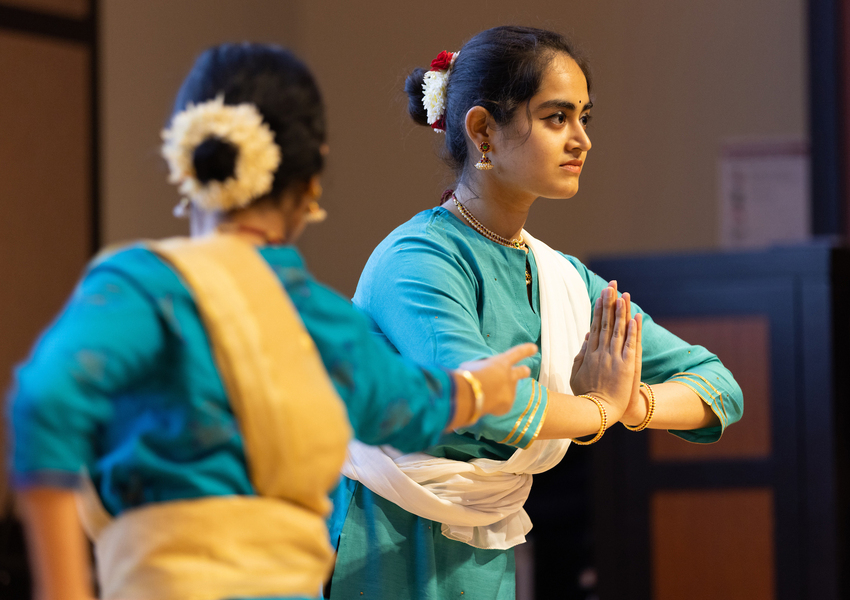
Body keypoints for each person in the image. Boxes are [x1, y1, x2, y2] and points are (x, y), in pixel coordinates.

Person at [6, 43, 541, 600]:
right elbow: (409, 406)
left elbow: (46, 402)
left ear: (188, 163)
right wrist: (483, 389)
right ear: (311, 184)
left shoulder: (143, 288)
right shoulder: (321, 323)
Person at [326, 26, 744, 599]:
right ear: (483, 132)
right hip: (379, 538)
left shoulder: (561, 278)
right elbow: (483, 400)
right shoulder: (417, 258)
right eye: (556, 118)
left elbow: (720, 388)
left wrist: (633, 404)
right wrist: (599, 407)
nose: (582, 140)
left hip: (480, 542)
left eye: (585, 118)